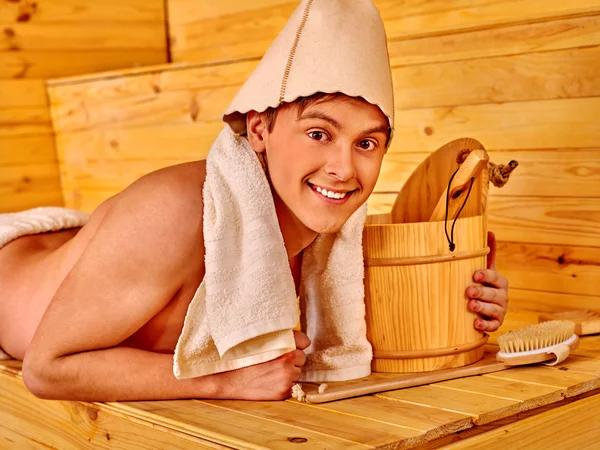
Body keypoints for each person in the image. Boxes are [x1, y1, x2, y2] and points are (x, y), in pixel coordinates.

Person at [0, 0, 508, 402]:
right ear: (259, 128)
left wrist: (469, 306)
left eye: (366, 143)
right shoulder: (175, 211)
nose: (344, 168)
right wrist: (222, 381)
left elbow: (377, 333)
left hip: (78, 244)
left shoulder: (332, 241)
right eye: (318, 133)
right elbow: (47, 369)